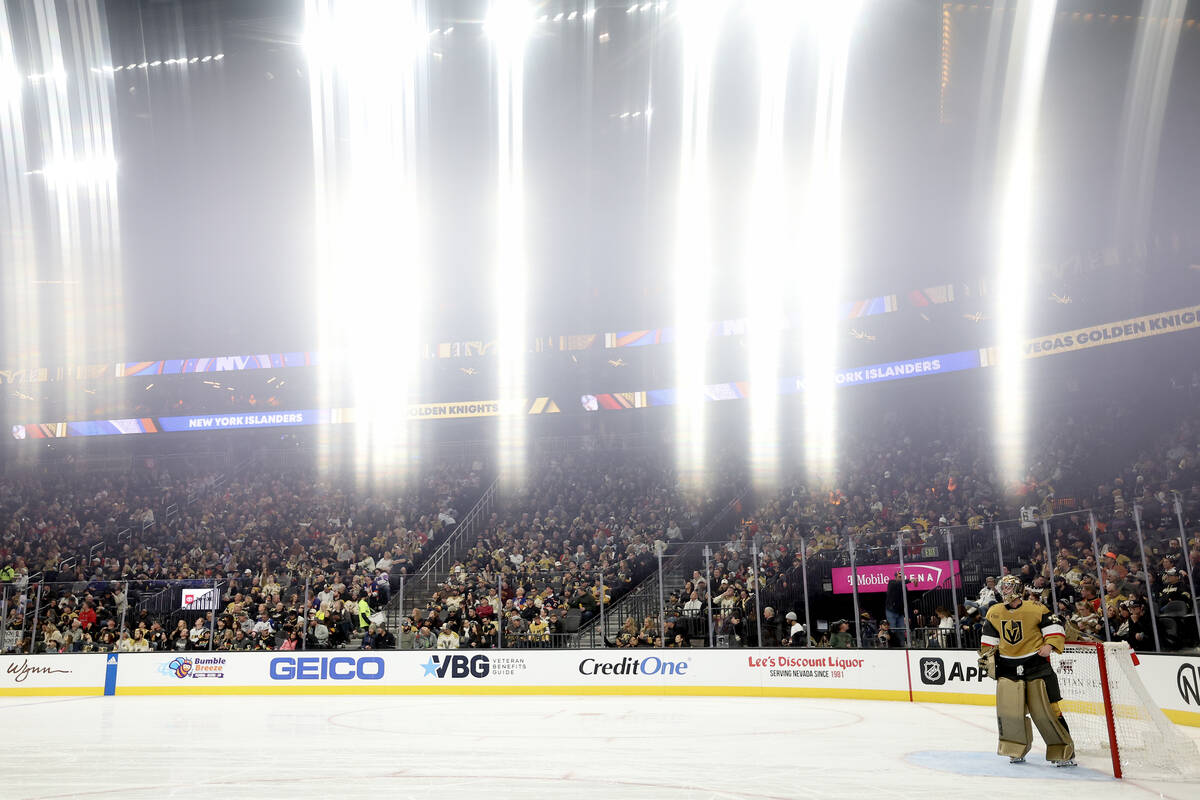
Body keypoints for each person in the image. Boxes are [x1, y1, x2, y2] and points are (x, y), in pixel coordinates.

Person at [978, 575, 1076, 767]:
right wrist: (987, 657)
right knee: (1010, 712)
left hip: (1036, 666)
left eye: (1007, 587)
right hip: (1008, 668)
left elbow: (1056, 625)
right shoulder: (994, 611)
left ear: (1017, 589)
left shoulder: (1036, 608)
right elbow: (989, 639)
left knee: (1048, 711)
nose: (1004, 590)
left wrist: (1050, 644)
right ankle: (1014, 749)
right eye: (1003, 587)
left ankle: (1064, 751)